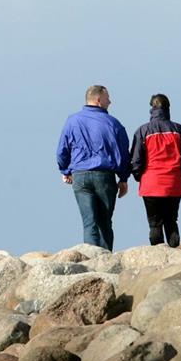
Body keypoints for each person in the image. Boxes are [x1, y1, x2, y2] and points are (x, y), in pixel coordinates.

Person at [56, 85, 131, 250]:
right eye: (107, 98)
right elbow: (123, 153)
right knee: (104, 223)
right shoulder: (113, 123)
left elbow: (62, 150)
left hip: (80, 175)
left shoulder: (72, 121)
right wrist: (123, 178)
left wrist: (65, 170)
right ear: (98, 100)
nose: (110, 101)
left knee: (89, 222)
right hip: (104, 176)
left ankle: (91, 258)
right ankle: (105, 259)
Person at [129, 93, 181, 247]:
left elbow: (135, 159)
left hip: (151, 182)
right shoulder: (179, 130)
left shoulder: (143, 131)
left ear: (151, 109)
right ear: (168, 108)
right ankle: (174, 252)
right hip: (173, 182)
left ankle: (158, 254)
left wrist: (139, 176)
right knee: (171, 221)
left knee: (155, 223)